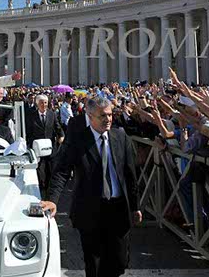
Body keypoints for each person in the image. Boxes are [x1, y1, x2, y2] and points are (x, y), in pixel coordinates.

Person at [41, 96, 141, 277]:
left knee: (118, 261)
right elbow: (62, 171)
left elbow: (130, 174)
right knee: (94, 263)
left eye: (110, 115)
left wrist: (135, 206)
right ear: (90, 116)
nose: (108, 119)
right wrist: (53, 200)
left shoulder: (120, 137)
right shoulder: (78, 140)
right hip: (90, 209)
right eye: (102, 116)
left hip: (118, 209)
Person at [25, 94, 64, 193]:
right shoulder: (31, 116)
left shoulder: (52, 114)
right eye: (41, 103)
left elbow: (57, 127)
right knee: (40, 169)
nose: (44, 105)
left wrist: (61, 136)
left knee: (51, 168)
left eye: (45, 102)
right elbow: (29, 132)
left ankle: (50, 188)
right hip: (37, 148)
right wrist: (30, 145)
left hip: (50, 147)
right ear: (37, 104)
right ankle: (41, 188)